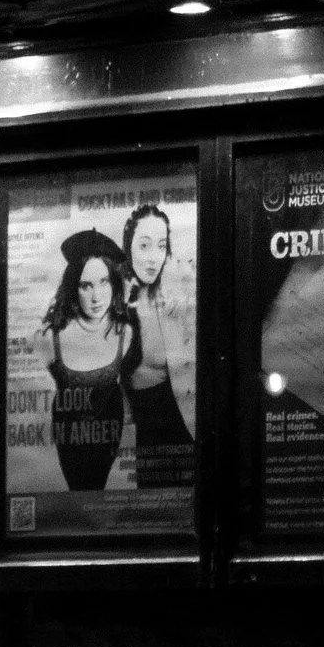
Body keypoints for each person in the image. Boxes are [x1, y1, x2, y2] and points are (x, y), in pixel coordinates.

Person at [41, 231, 135, 492]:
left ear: (115, 284)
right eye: (86, 285)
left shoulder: (126, 333)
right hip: (69, 435)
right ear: (74, 287)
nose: (97, 297)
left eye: (104, 282)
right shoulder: (49, 339)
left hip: (110, 431)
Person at [120, 202, 195, 488]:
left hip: (185, 428)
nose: (153, 258)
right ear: (129, 248)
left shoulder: (178, 292)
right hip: (144, 440)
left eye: (161, 246)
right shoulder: (115, 301)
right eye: (144, 246)